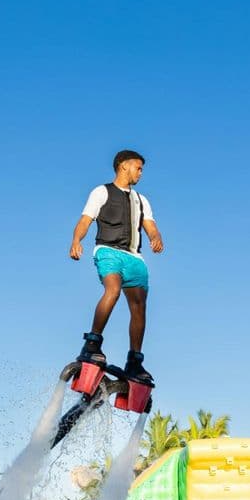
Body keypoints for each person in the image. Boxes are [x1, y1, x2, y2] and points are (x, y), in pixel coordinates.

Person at [69, 149, 164, 384]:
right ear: (123, 166)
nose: (141, 173)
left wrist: (155, 237)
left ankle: (134, 361)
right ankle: (92, 343)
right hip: (108, 251)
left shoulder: (142, 200)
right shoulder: (101, 192)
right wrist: (76, 240)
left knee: (140, 305)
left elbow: (150, 225)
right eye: (138, 168)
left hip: (134, 257)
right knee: (112, 289)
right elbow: (85, 220)